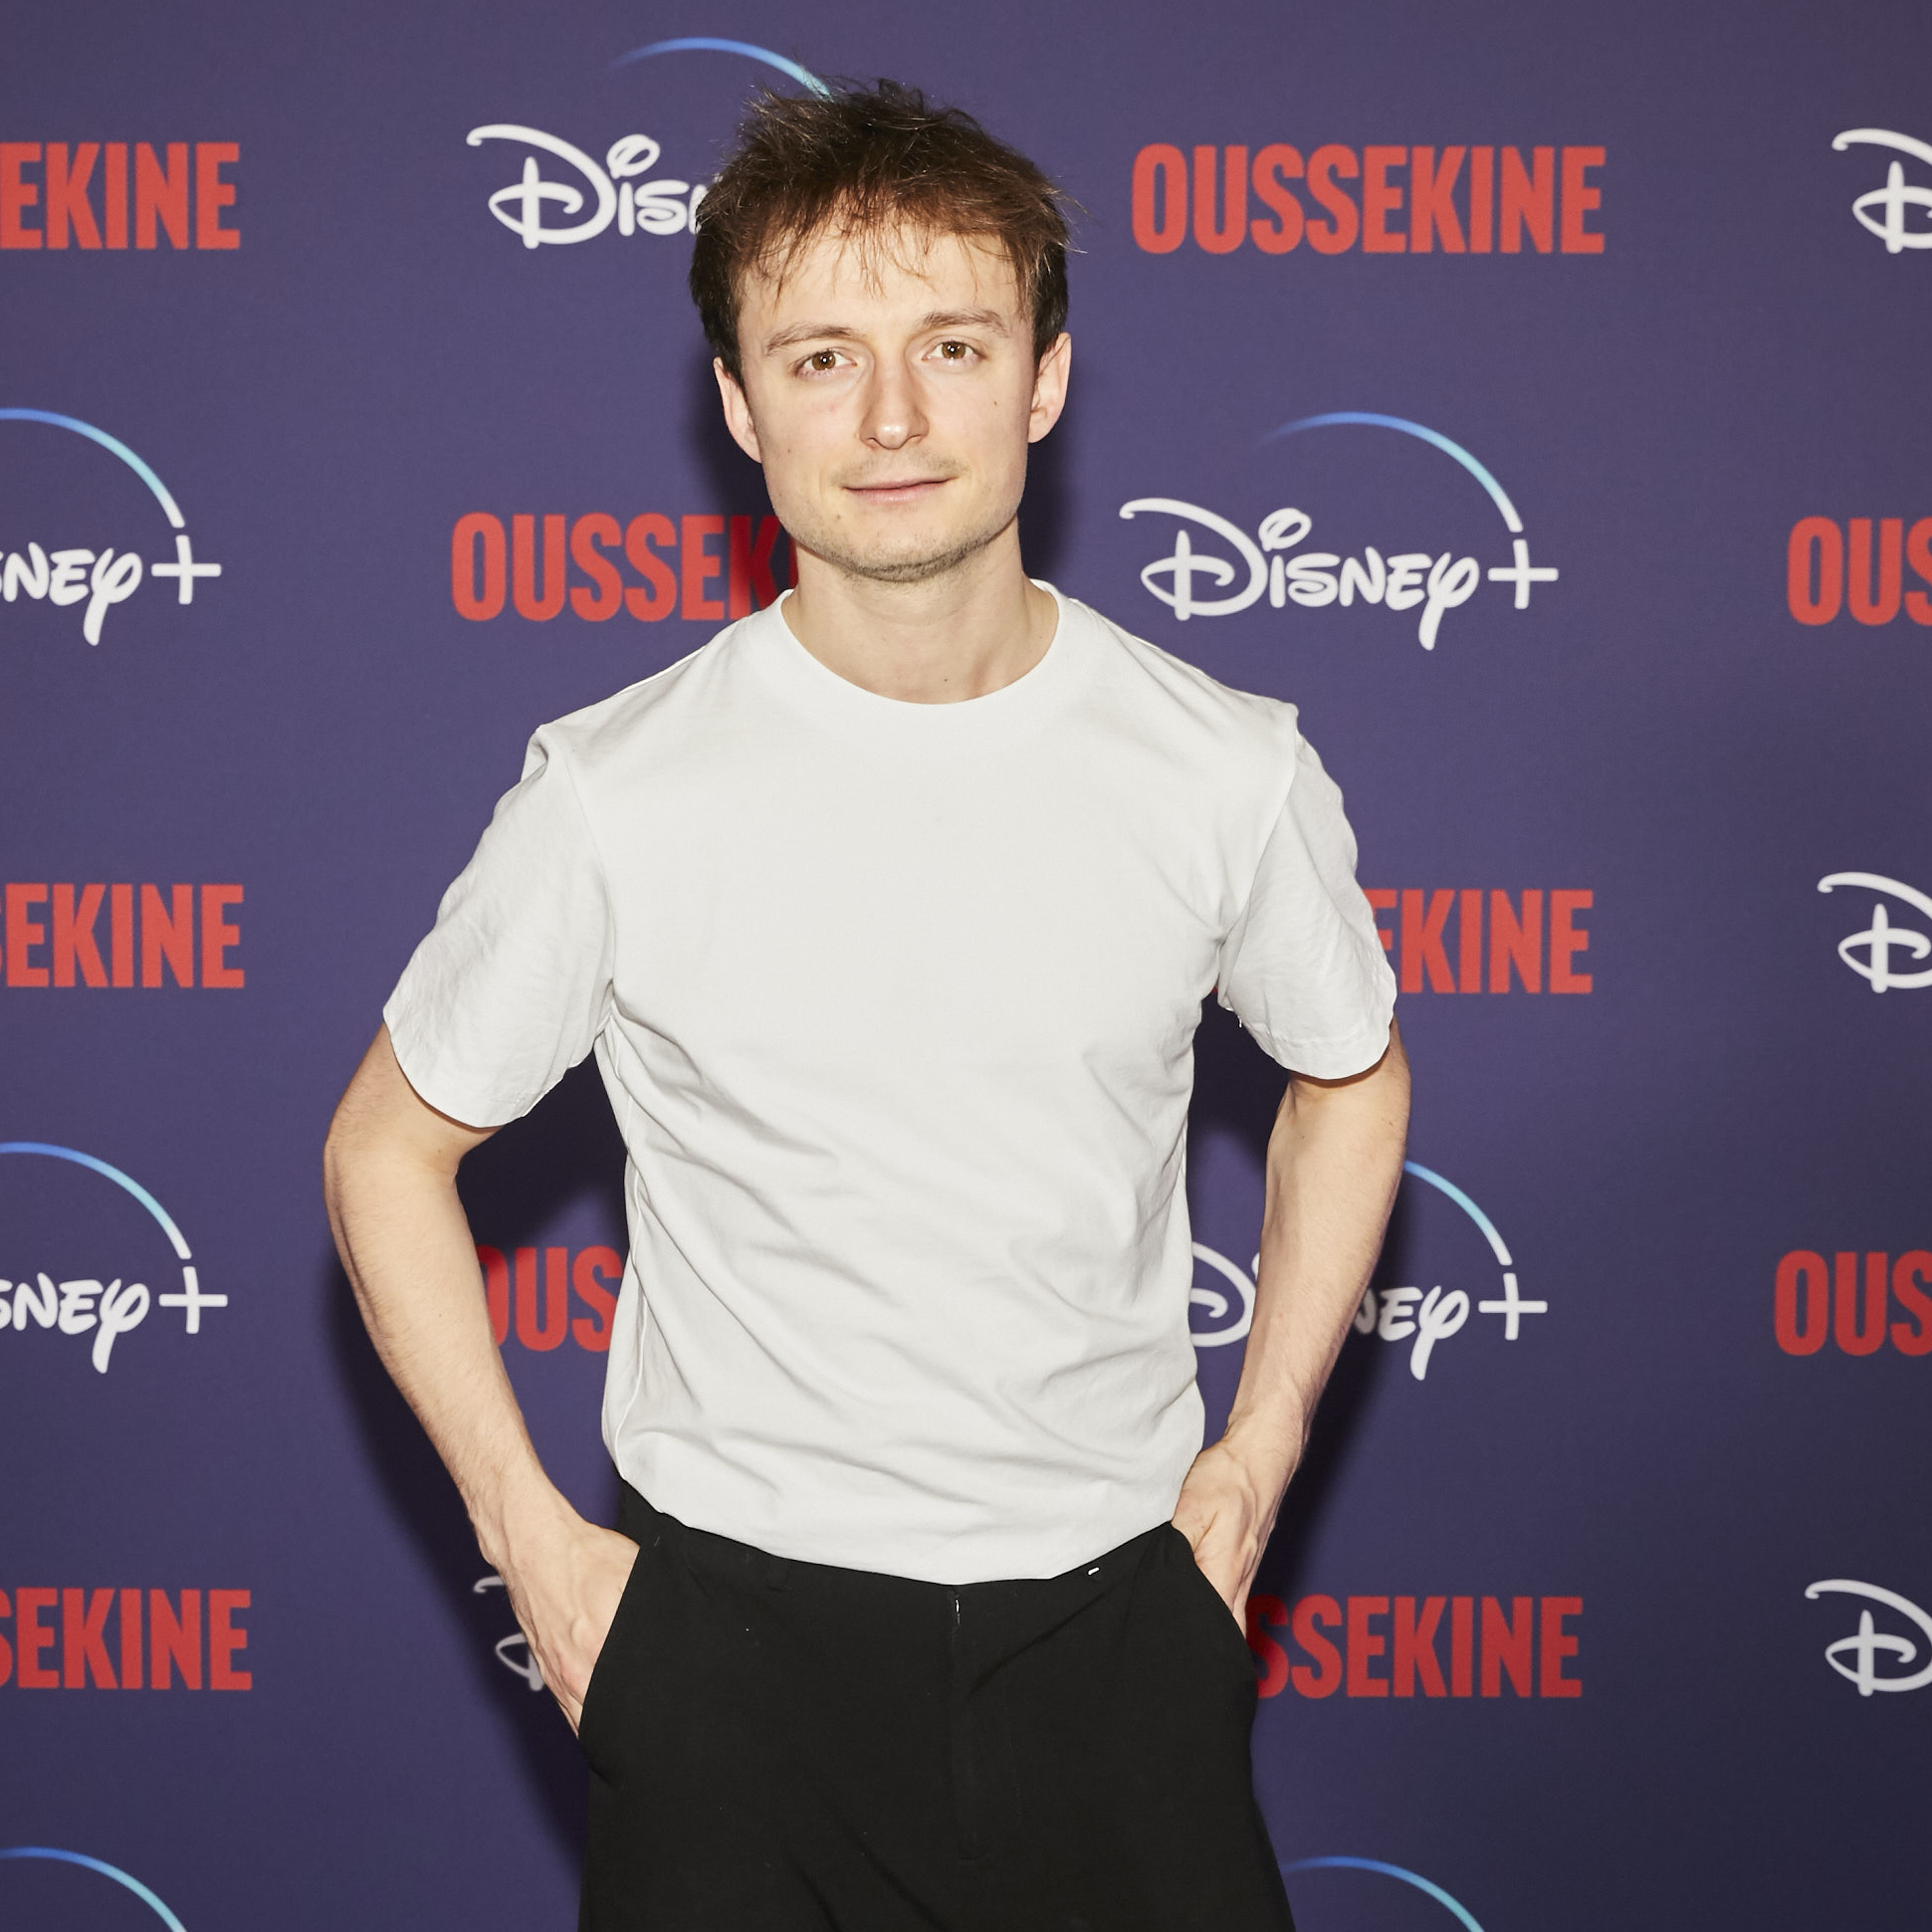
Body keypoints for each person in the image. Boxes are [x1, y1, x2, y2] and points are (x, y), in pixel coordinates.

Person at [324, 79, 1409, 1932]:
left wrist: (1257, 1461)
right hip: (732, 1672)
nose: (892, 418)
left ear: (1043, 378)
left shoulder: (1222, 768)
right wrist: (532, 1544)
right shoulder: (617, 791)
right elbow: (384, 1150)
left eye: (952, 345)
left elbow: (1350, 1078)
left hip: (1122, 1638)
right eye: (823, 357)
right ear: (741, 406)